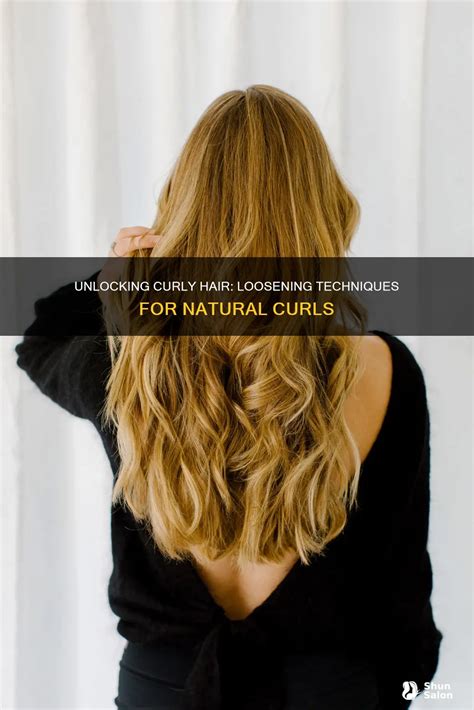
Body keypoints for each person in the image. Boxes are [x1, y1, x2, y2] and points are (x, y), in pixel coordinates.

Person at [16, 85, 442, 710]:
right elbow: (404, 594)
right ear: (323, 209)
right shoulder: (384, 367)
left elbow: (42, 334)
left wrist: (122, 278)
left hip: (161, 691)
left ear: (183, 212)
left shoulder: (134, 359)